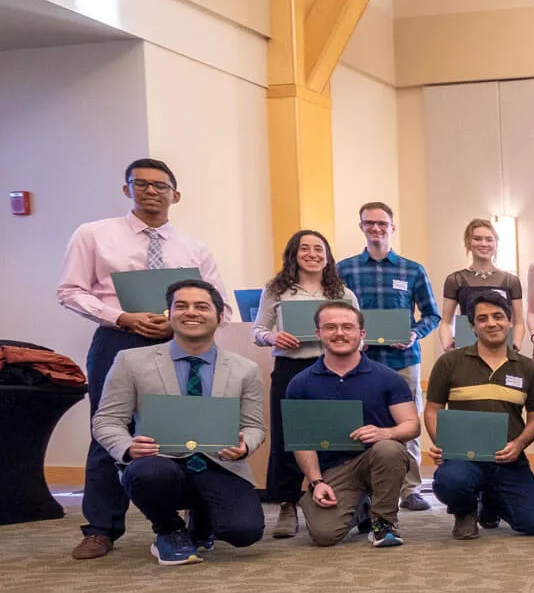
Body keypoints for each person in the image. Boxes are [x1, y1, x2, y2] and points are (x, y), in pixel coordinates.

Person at [58, 158, 231, 561]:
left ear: (175, 195)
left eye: (160, 186)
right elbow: (70, 290)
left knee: (188, 428)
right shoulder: (94, 235)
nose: (151, 191)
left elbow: (221, 304)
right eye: (141, 184)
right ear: (127, 189)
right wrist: (121, 316)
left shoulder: (193, 247)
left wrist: (181, 323)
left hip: (179, 343)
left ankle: (191, 518)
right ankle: (101, 528)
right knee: (109, 428)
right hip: (118, 338)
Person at [89, 280, 264, 565]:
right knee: (149, 474)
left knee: (244, 531)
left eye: (201, 306)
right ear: (169, 314)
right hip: (159, 462)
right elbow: (106, 421)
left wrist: (245, 445)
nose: (191, 312)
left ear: (220, 317)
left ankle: (202, 519)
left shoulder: (246, 369)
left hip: (218, 463)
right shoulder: (131, 361)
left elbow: (255, 426)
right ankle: (169, 530)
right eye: (181, 306)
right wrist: (128, 447)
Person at [252, 229, 359, 540]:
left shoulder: (343, 293)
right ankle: (288, 504)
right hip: (290, 368)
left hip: (332, 368)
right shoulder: (276, 290)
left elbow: (358, 335)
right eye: (305, 248)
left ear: (327, 256)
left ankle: (346, 498)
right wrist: (273, 337)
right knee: (289, 437)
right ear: (293, 254)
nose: (312, 254)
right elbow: (257, 330)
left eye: (319, 249)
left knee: (338, 434)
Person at [286, 301, 418, 548]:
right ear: (318, 333)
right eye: (330, 327)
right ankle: (362, 508)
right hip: (334, 469)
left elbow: (412, 425)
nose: (339, 333)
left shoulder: (388, 378)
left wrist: (386, 432)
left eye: (347, 327)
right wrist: (316, 482)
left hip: (379, 460)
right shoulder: (300, 383)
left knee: (389, 448)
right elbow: (301, 441)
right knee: (325, 535)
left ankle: (383, 523)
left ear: (362, 333)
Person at [338, 200, 440, 512]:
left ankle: (410, 489)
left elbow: (432, 315)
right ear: (361, 227)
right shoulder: (344, 270)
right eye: (369, 223)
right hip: (360, 362)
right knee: (361, 422)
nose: (376, 228)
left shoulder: (412, 270)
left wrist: (414, 333)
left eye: (382, 223)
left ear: (392, 228)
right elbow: (337, 313)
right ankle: (365, 489)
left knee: (408, 423)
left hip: (403, 361)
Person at [423, 292, 534, 538]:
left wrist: (519, 444)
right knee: (450, 482)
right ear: (472, 326)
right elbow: (432, 410)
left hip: (508, 460)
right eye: (482, 318)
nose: (491, 323)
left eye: (498, 316)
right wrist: (444, 444)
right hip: (463, 459)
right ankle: (465, 510)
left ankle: (490, 501)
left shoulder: (528, 368)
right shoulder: (449, 362)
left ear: (509, 322)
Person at [441, 218, 524, 351]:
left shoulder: (510, 280)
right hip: (466, 345)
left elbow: (518, 322)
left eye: (489, 239)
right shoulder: (455, 279)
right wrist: (448, 347)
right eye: (477, 239)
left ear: (496, 244)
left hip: (502, 346)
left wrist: (515, 346)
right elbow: (446, 321)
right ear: (468, 242)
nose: (484, 244)